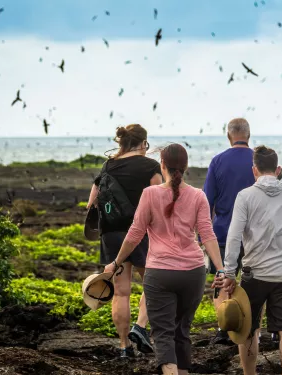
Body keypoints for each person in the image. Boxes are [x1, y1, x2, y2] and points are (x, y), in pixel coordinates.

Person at [105, 143, 225, 375]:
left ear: (162, 165)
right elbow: (207, 235)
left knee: (163, 334)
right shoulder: (199, 196)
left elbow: (135, 233)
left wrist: (117, 262)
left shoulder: (150, 194)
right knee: (182, 332)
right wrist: (220, 269)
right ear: (186, 166)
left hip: (160, 273)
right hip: (194, 273)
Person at [218, 145, 282, 375]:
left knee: (249, 330)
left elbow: (233, 238)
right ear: (278, 169)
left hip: (255, 276)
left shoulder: (245, 197)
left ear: (254, 170)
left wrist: (230, 273)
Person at [87, 124, 162, 357]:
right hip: (141, 233)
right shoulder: (150, 166)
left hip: (111, 234)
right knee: (154, 284)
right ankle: (140, 327)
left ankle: (124, 347)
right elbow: (159, 202)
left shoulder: (107, 166)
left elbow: (92, 204)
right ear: (143, 143)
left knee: (120, 292)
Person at [203, 118, 255, 344]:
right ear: (249, 135)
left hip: (223, 232)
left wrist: (201, 236)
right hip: (255, 234)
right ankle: (250, 327)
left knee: (222, 279)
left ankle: (223, 328)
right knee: (251, 283)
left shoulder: (218, 161)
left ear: (228, 136)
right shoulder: (259, 160)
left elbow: (207, 202)